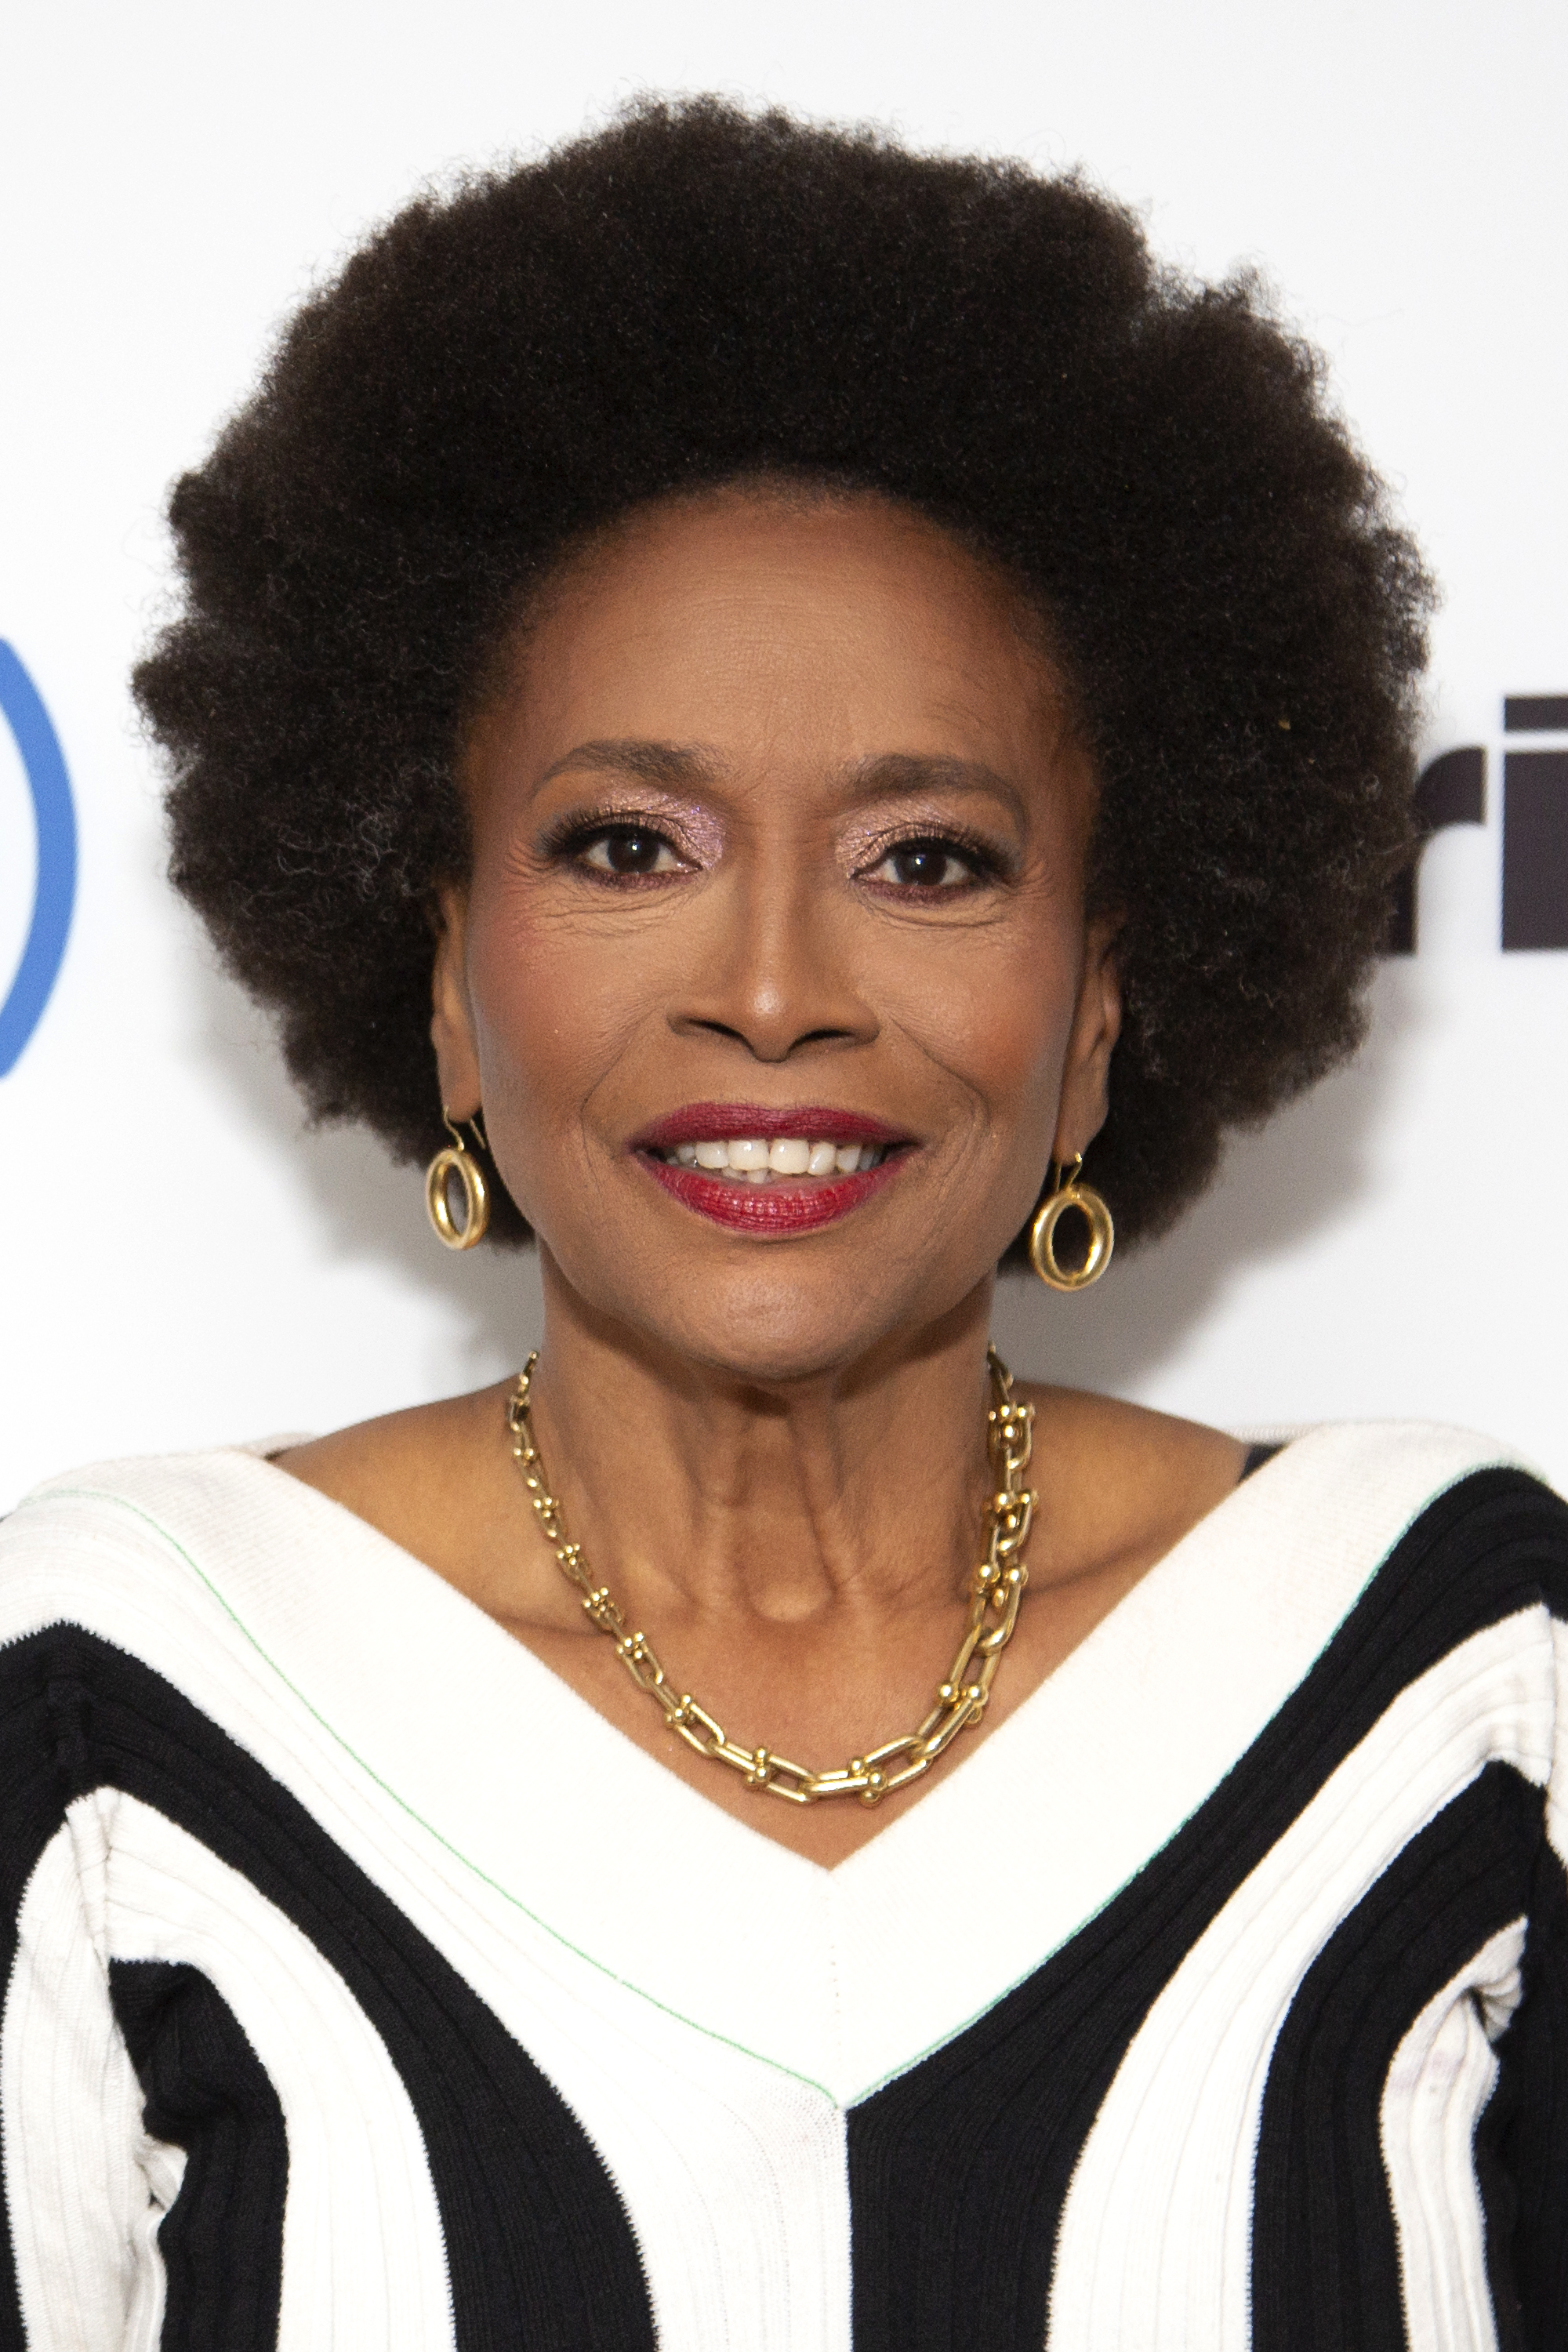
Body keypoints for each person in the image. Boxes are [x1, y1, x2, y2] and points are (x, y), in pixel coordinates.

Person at [2, 96, 1563, 2352]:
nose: (770, 989)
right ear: (438, 969)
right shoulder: (111, 1713)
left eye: (927, 859)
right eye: (628, 846)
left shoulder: (1463, 1688)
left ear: (1108, 999)